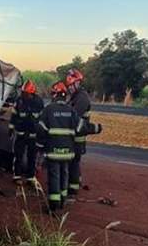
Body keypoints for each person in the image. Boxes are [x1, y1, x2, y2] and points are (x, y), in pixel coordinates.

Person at [35, 82, 78, 213]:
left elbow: (41, 131)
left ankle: (53, 205)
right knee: (64, 174)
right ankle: (62, 201)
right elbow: (81, 127)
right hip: (67, 152)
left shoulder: (48, 110)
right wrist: (96, 128)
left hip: (53, 151)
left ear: (55, 95)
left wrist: (40, 148)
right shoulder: (71, 110)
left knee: (54, 176)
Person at [64, 68, 101, 199]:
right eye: (69, 86)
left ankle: (72, 191)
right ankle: (76, 182)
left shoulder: (82, 97)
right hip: (75, 135)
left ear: (77, 83)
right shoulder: (77, 96)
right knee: (74, 162)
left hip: (78, 137)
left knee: (73, 162)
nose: (70, 89)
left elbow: (74, 115)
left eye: (71, 86)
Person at [9, 80, 44, 182]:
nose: (24, 95)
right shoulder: (19, 101)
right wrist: (11, 128)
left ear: (31, 94)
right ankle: (17, 176)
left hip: (33, 134)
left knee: (32, 156)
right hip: (21, 133)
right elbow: (14, 115)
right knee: (18, 154)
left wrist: (41, 132)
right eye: (23, 93)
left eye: (26, 94)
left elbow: (42, 118)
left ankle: (30, 176)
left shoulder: (38, 102)